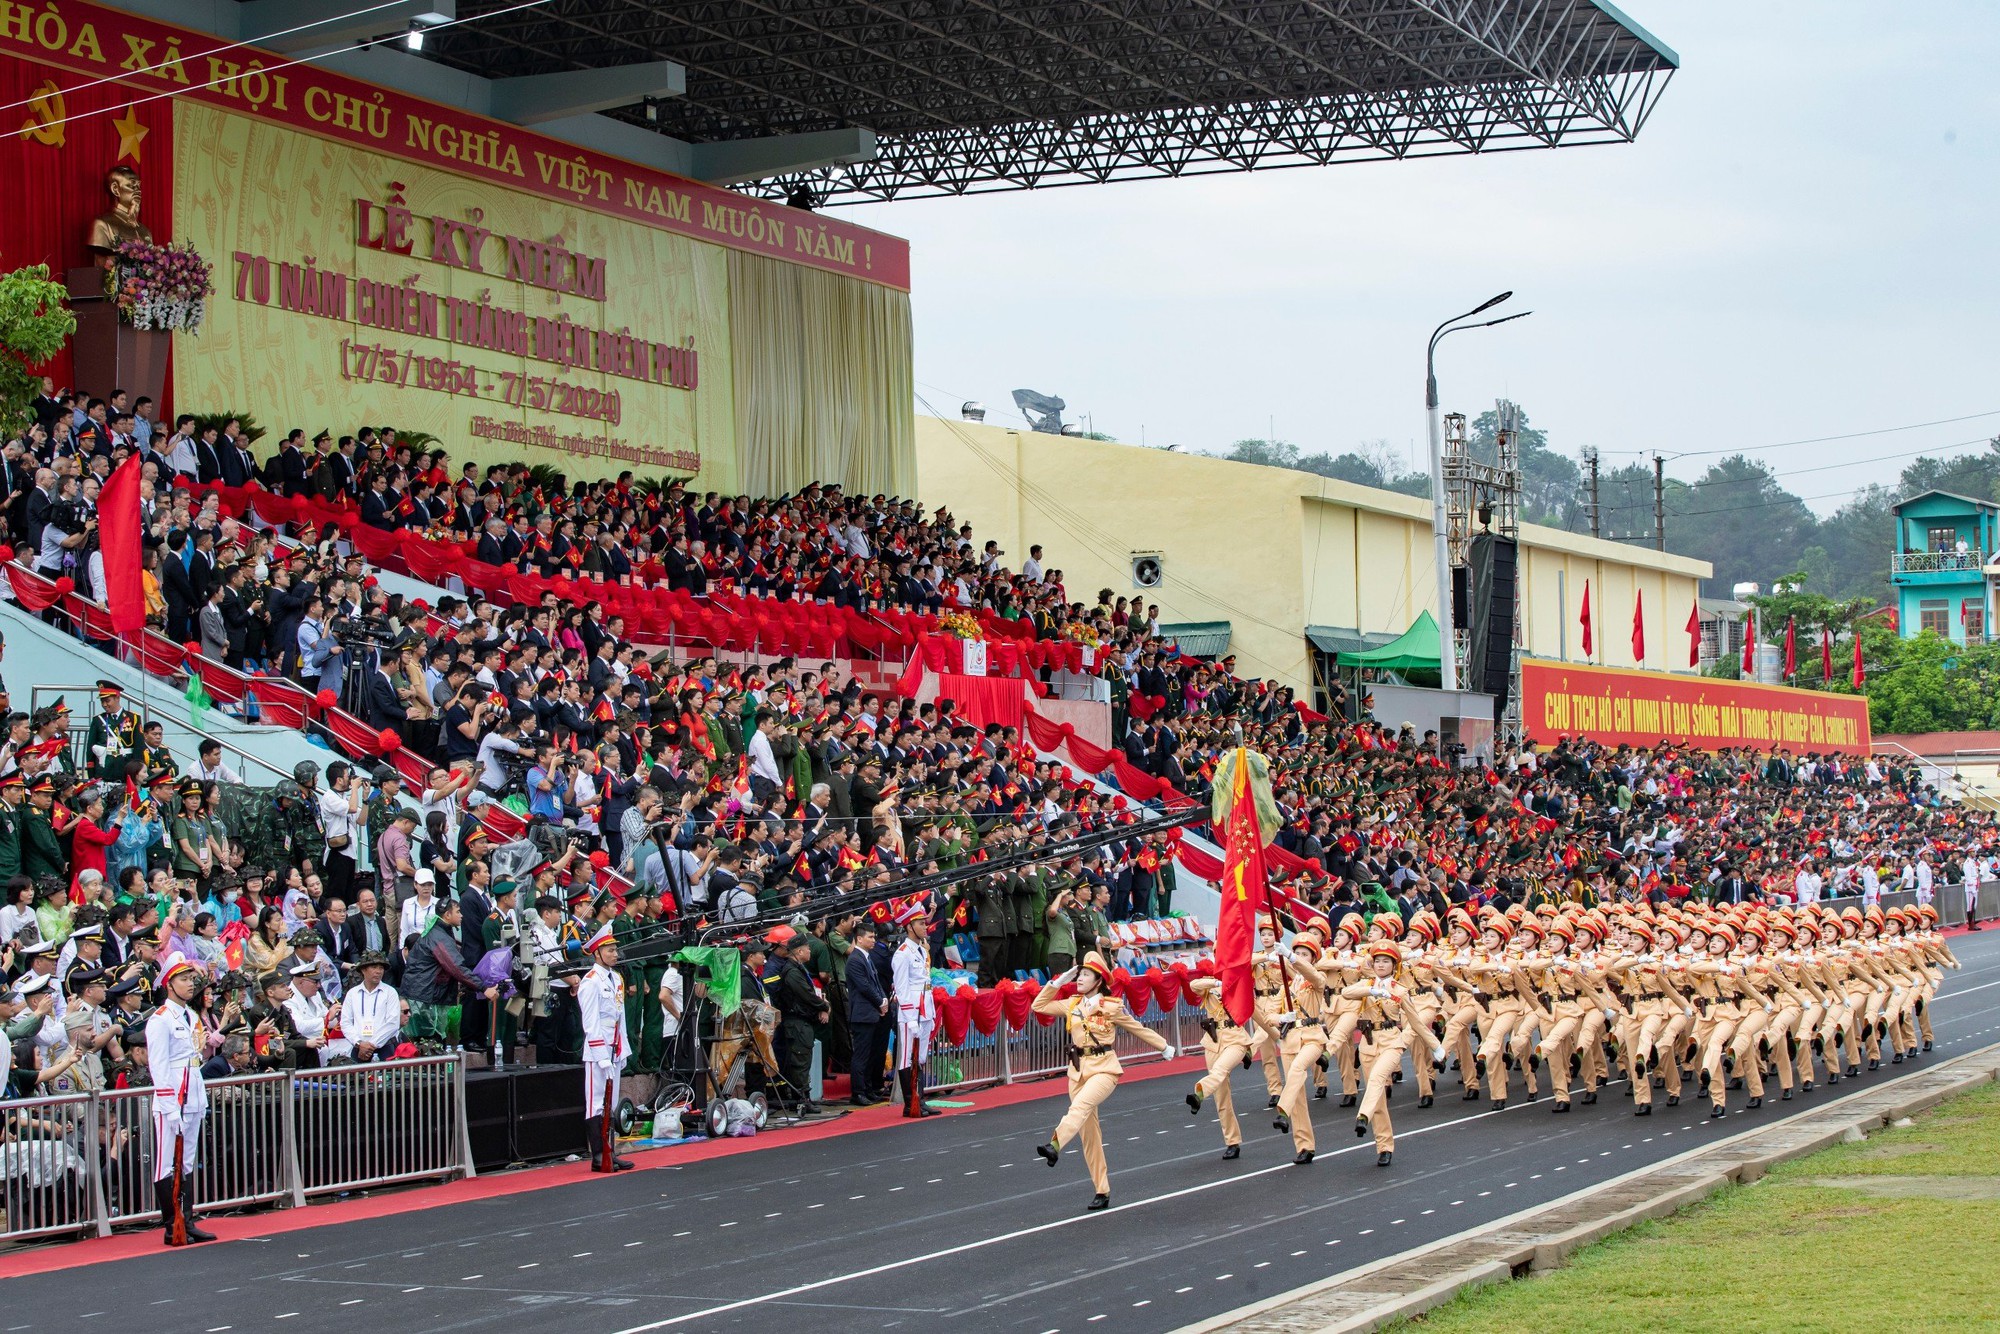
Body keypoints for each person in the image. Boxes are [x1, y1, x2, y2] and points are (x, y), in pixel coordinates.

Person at [1031, 950, 1173, 1210]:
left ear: (1098, 981)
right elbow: (1038, 1006)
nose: (1080, 979)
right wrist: (1058, 982)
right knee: (1089, 1136)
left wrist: (1163, 1046)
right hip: (1077, 1071)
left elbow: (1136, 1027)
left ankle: (1055, 1144)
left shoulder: (1111, 1006)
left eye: (1086, 975)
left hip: (1104, 1069)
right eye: (1079, 974)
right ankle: (1102, 1190)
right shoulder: (1072, 1004)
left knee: (1080, 1107)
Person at [146, 955, 217, 1244]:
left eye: (191, 979)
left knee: (187, 1161)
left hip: (193, 1090)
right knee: (166, 1162)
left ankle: (186, 1220)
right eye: (184, 979)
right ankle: (170, 1224)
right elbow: (158, 1066)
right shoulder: (161, 1019)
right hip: (173, 1094)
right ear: (169, 984)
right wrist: (169, 1106)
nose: (190, 984)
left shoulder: (191, 1016)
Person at [1184, 975, 1268, 1160]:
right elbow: (1193, 985)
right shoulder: (1210, 985)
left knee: (1219, 1070)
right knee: (1221, 1095)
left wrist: (1276, 1032)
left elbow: (1259, 1016)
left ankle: (1199, 1093)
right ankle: (1232, 1142)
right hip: (1213, 1042)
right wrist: (1217, 983)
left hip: (1235, 1039)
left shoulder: (1240, 987)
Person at [578, 925, 633, 1172]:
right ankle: (598, 1155)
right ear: (597, 953)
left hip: (615, 1047)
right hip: (597, 1051)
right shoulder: (590, 982)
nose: (615, 954)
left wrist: (623, 1049)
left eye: (615, 950)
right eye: (610, 950)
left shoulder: (616, 978)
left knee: (611, 1103)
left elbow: (620, 1017)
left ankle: (610, 1151)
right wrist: (601, 1056)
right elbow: (590, 1024)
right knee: (596, 1103)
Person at [890, 902, 938, 1119]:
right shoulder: (902, 954)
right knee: (907, 1058)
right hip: (912, 1011)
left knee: (921, 1056)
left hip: (925, 1007)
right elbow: (901, 989)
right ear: (909, 927)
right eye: (920, 923)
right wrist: (910, 1018)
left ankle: (920, 1099)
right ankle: (910, 1103)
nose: (925, 926)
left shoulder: (921, 950)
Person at [773, 933, 828, 1113]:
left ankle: (802, 1097)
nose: (810, 951)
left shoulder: (797, 969)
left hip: (801, 1020)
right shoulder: (792, 972)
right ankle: (801, 1099)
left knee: (802, 1059)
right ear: (799, 951)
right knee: (800, 1061)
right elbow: (806, 995)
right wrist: (824, 1006)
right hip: (797, 1022)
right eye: (808, 948)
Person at [843, 921, 889, 1105]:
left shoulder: (867, 958)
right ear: (859, 938)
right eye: (870, 937)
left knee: (871, 1054)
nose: (873, 940)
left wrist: (884, 999)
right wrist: (880, 1001)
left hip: (872, 1013)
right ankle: (858, 1092)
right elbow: (864, 986)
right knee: (861, 1056)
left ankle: (868, 1089)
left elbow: (876, 983)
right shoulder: (855, 959)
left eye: (874, 937)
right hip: (862, 1014)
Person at [339, 951, 401, 1061]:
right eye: (374, 967)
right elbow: (345, 1022)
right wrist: (359, 1043)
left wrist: (371, 1045)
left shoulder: (390, 992)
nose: (378, 971)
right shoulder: (352, 993)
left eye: (381, 968)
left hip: (384, 1048)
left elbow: (393, 1023)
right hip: (359, 1048)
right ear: (363, 970)